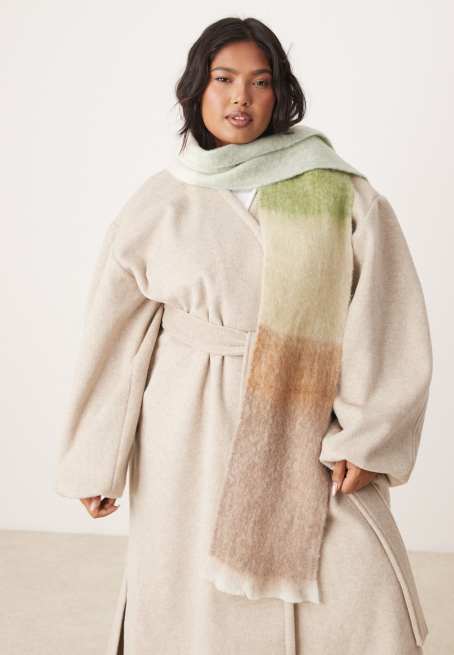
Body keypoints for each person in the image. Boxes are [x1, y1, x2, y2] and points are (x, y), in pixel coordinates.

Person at [55, 16, 433, 655]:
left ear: (280, 93)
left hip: (307, 418)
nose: (241, 98)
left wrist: (371, 435)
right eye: (224, 79)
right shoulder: (160, 201)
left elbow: (386, 316)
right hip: (186, 427)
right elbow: (115, 339)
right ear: (196, 90)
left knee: (358, 579)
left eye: (261, 82)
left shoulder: (341, 191)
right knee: (192, 592)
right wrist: (99, 459)